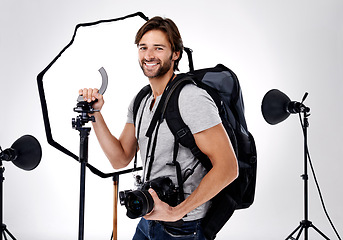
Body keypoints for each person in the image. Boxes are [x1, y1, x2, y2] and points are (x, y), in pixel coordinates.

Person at [79, 16, 238, 240]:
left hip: (183, 227)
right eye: (143, 47)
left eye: (158, 48)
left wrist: (176, 212)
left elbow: (229, 168)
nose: (149, 55)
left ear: (176, 54)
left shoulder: (192, 98)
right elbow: (120, 158)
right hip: (147, 217)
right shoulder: (141, 99)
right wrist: (95, 113)